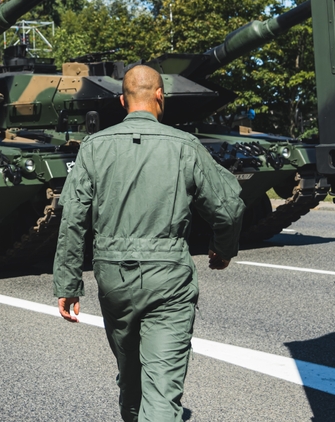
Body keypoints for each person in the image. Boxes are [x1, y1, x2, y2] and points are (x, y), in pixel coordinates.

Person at [53, 65, 244, 422]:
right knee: (161, 383)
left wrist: (68, 283)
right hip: (168, 278)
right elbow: (229, 208)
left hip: (114, 277)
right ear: (160, 95)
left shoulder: (94, 146)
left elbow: (73, 218)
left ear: (122, 101)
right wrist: (223, 249)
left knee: (130, 373)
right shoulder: (185, 145)